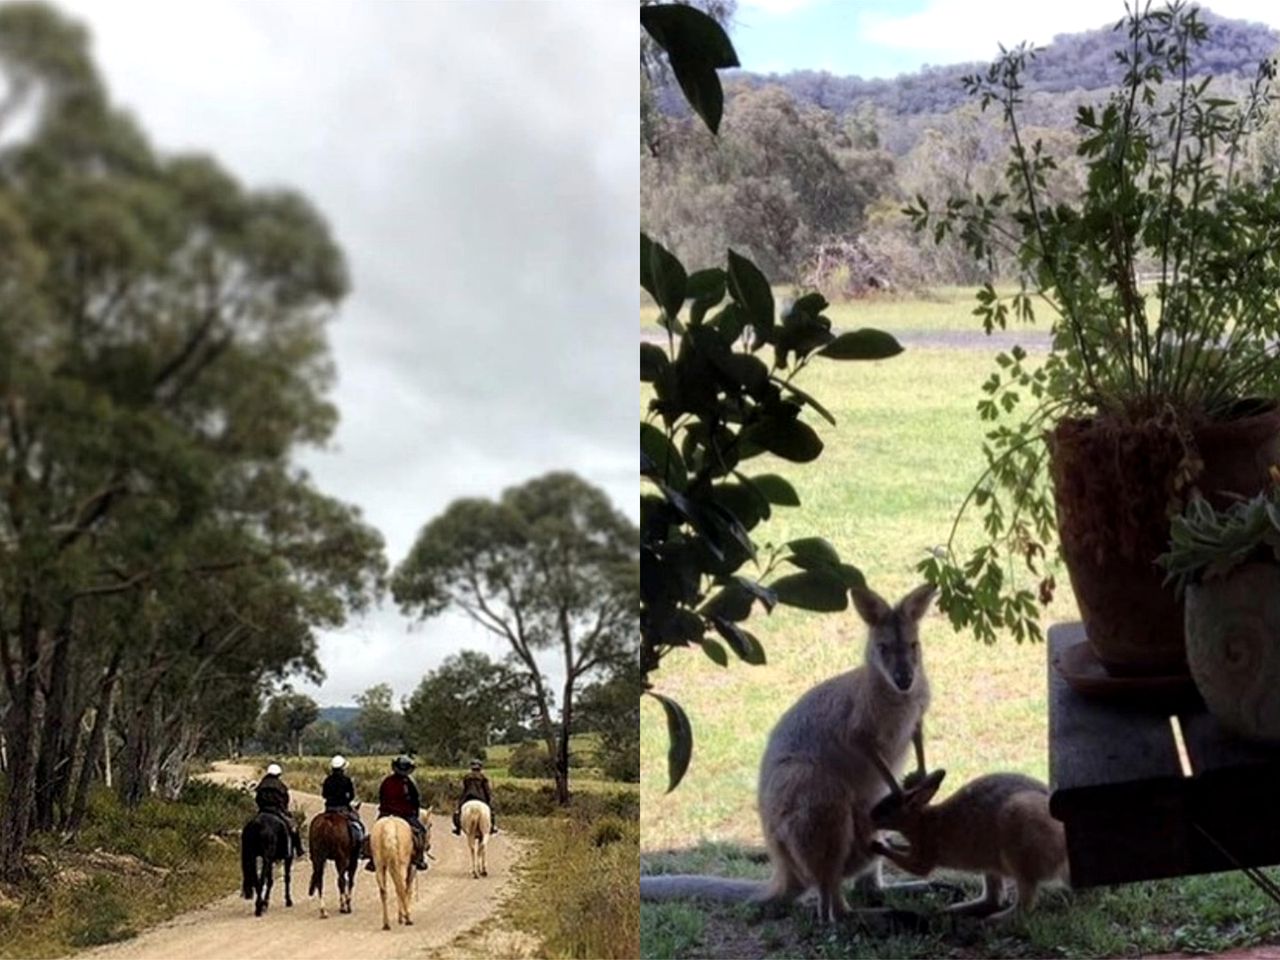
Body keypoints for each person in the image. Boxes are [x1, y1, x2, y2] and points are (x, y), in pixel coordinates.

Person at [366, 755, 429, 872]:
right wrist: (414, 812)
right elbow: (416, 800)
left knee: (374, 833)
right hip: (405, 815)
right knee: (421, 831)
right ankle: (420, 858)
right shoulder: (409, 783)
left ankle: (371, 858)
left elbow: (381, 797)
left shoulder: (386, 781)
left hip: (386, 813)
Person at [255, 762, 303, 857]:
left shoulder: (262, 784)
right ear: (278, 774)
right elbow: (285, 800)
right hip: (277, 811)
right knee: (293, 827)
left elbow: (257, 799)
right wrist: (284, 809)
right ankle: (298, 849)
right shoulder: (280, 785)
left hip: (263, 810)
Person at [321, 755, 366, 851]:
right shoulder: (346, 780)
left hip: (329, 809)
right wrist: (346, 800)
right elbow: (352, 796)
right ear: (342, 768)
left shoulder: (327, 780)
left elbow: (324, 795)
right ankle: (360, 848)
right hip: (342, 809)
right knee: (358, 826)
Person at [452, 758, 498, 835]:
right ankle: (492, 827)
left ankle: (458, 828)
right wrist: (489, 799)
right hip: (481, 798)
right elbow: (487, 791)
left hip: (468, 797)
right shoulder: (483, 778)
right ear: (480, 768)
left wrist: (461, 800)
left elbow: (464, 789)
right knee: (491, 812)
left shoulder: (467, 777)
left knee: (457, 812)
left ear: (472, 768)